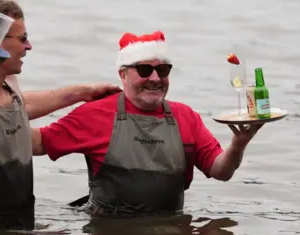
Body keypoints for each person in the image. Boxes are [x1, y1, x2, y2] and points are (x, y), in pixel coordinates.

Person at [0, 0, 121, 230]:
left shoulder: (10, 85)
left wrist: (83, 92)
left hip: (14, 228)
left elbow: (19, 107)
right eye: (23, 38)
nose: (29, 46)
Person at [33, 30, 263, 217]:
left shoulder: (186, 117)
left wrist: (238, 144)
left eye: (162, 70)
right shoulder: (94, 114)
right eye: (144, 70)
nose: (154, 78)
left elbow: (221, 171)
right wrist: (2, 114)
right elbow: (38, 143)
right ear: (123, 75)